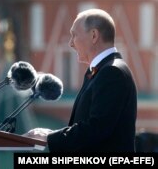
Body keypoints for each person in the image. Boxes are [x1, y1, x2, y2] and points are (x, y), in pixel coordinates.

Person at [24, 8, 137, 152]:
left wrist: (49, 137)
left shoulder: (112, 72)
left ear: (94, 35)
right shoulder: (100, 71)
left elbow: (96, 129)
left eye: (74, 35)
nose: (71, 43)